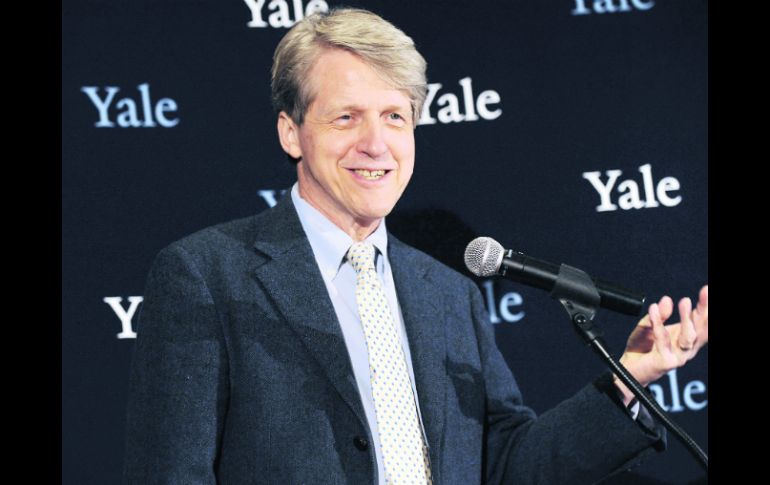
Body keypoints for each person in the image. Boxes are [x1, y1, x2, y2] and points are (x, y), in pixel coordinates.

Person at [123, 7, 708, 484]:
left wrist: (630, 377)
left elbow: (507, 469)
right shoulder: (206, 275)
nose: (376, 143)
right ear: (291, 132)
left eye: (395, 117)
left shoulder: (449, 293)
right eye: (346, 117)